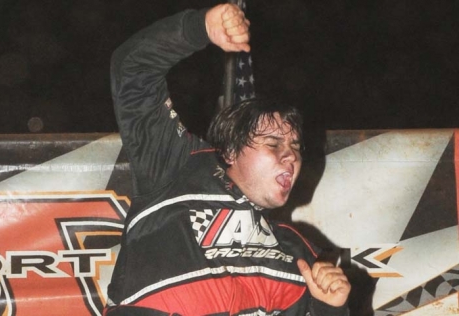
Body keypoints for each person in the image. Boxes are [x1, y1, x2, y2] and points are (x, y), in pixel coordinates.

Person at [104, 3, 351, 316]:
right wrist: (200, 28)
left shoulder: (298, 253)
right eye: (273, 143)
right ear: (231, 151)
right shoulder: (179, 165)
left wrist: (331, 306)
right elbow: (132, 71)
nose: (291, 156)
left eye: (296, 146)